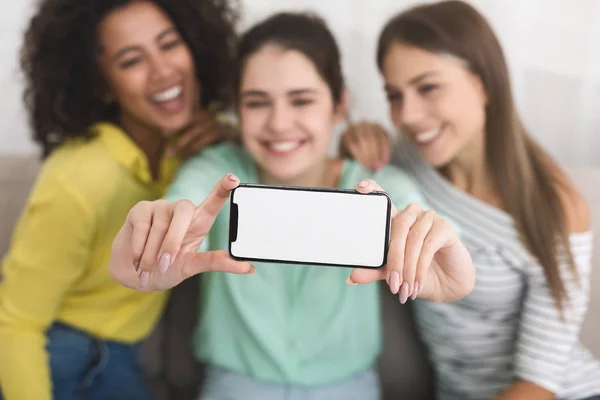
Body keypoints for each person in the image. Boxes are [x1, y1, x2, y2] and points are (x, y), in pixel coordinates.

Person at [108, 12, 476, 400]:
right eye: (257, 102)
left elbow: (429, 235)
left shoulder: (379, 187)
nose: (279, 123)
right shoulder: (217, 173)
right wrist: (143, 247)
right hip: (234, 385)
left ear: (338, 105)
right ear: (237, 109)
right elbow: (181, 202)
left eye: (301, 100)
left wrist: (444, 257)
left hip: (348, 387)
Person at [340, 1, 600, 399]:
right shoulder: (406, 163)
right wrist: (353, 143)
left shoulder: (556, 205)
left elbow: (540, 383)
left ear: (484, 82)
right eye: (394, 95)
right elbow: (350, 181)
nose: (406, 115)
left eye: (428, 87)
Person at [0, 0, 240, 399]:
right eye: (131, 61)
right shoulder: (78, 179)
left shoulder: (195, 142)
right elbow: (15, 323)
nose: (163, 71)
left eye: (169, 44)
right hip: (63, 354)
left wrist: (226, 134)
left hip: (124, 354)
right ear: (100, 83)